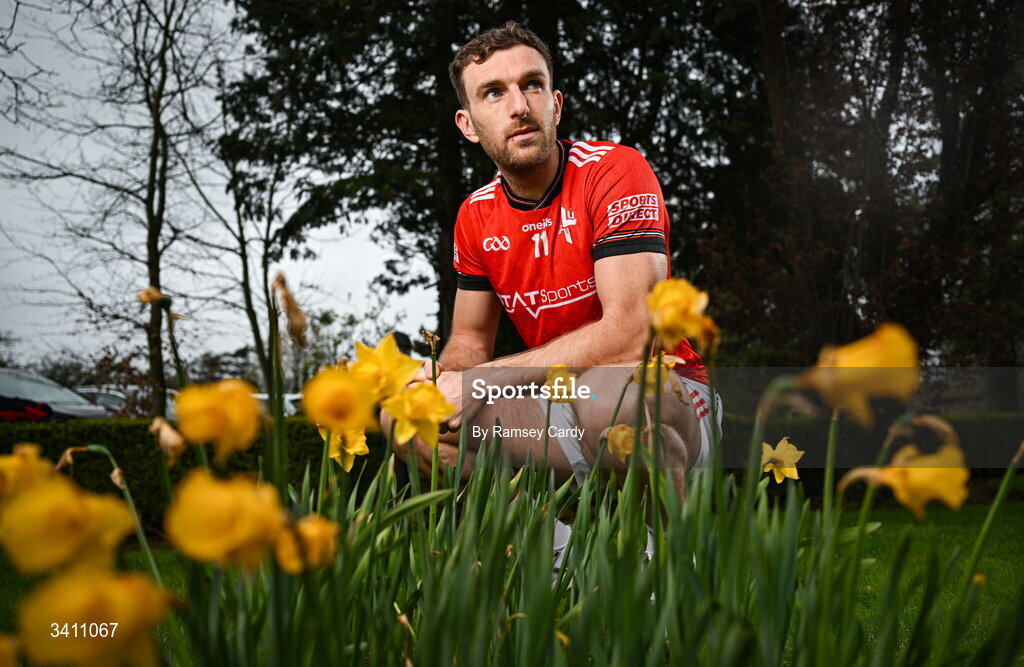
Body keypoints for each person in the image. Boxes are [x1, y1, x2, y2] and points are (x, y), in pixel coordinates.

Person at [389, 21, 722, 505]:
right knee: (408, 421)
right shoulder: (474, 214)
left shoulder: (614, 169)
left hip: (664, 391)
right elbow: (467, 341)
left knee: (618, 402)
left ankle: (671, 573)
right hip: (562, 397)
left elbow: (633, 333)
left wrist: (480, 382)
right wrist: (441, 381)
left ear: (555, 103)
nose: (519, 106)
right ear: (468, 124)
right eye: (494, 93)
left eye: (532, 85)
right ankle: (557, 561)